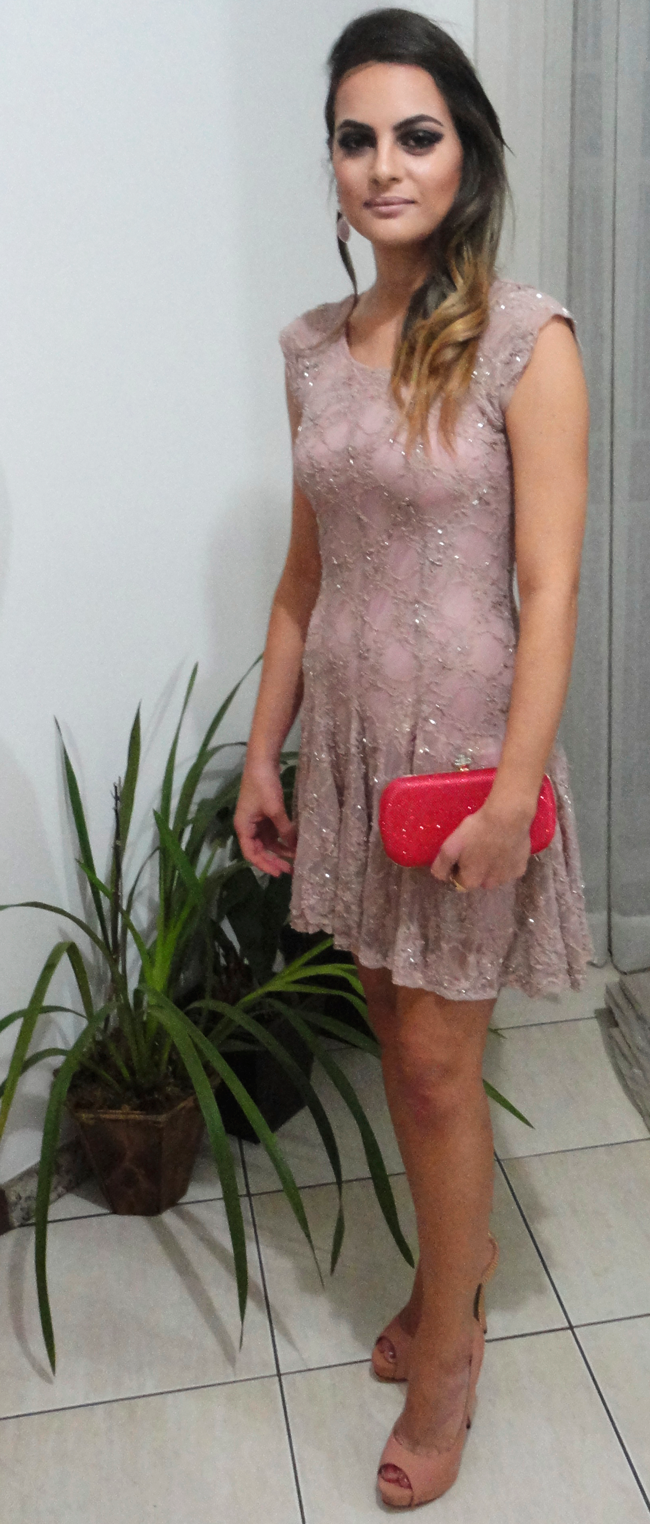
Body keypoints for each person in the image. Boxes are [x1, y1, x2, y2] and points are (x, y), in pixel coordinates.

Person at [234, 7, 594, 1509]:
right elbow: (302, 579)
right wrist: (266, 756)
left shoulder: (525, 338)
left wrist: (514, 795)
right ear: (331, 164)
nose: (384, 164)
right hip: (350, 750)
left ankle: (451, 1347)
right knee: (392, 1033)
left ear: (466, 156)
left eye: (417, 134)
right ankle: (459, 1269)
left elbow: (550, 589)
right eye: (356, 137)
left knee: (440, 1074)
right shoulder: (312, 352)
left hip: (463, 761)